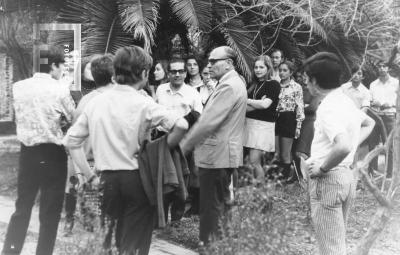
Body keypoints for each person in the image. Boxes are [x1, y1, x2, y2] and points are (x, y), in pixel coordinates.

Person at [64, 46, 189, 255]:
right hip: (137, 180)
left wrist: (89, 176)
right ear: (142, 74)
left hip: (107, 181)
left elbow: (71, 141)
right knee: (135, 243)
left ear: (116, 72)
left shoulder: (96, 103)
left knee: (111, 242)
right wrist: (162, 148)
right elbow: (182, 125)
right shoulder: (143, 102)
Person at [2, 46, 76, 255]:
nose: (62, 71)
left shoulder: (18, 87)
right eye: (61, 66)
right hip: (53, 154)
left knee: (22, 207)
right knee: (50, 212)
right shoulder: (59, 89)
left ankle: (10, 251)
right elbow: (73, 117)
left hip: (28, 153)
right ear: (53, 65)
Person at [303, 52, 375, 255]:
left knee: (331, 250)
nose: (306, 83)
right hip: (345, 178)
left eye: (307, 79)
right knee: (337, 244)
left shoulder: (328, 107)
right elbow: (370, 123)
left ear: (315, 81)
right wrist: (351, 145)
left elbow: (342, 146)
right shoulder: (345, 101)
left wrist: (322, 167)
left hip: (328, 179)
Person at [180, 46, 247, 246]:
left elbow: (209, 121)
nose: (208, 66)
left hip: (216, 154)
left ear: (229, 63)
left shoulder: (228, 86)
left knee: (211, 202)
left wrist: (184, 145)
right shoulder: (233, 82)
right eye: (208, 61)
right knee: (222, 200)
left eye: (213, 61)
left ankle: (210, 244)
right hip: (223, 153)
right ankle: (220, 242)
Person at [63, 53, 115, 235]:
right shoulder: (76, 93)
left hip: (89, 150)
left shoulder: (97, 95)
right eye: (88, 67)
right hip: (82, 149)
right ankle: (69, 220)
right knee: (74, 185)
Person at [156, 59, 203, 222]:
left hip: (183, 142)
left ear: (185, 73)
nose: (177, 74)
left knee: (181, 178)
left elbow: (198, 115)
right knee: (162, 178)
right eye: (173, 71)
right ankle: (161, 218)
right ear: (168, 73)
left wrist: (180, 123)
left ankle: (176, 218)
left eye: (180, 71)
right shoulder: (161, 90)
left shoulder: (192, 93)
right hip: (162, 139)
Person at [245, 55, 281, 181]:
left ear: (268, 68)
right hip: (249, 124)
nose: (258, 70)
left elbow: (266, 104)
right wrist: (258, 103)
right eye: (256, 67)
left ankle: (260, 189)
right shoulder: (252, 84)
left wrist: (248, 100)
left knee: (254, 161)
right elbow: (244, 107)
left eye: (261, 67)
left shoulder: (273, 84)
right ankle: (254, 188)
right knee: (250, 162)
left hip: (262, 127)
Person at [274, 60, 304, 180]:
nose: (282, 73)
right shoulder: (275, 84)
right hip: (276, 118)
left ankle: (286, 177)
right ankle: (276, 176)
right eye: (280, 70)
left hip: (289, 119)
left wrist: (298, 126)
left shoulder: (296, 87)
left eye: (285, 70)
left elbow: (300, 107)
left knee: (285, 152)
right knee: (275, 152)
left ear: (291, 72)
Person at [369, 60, 399, 176]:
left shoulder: (396, 83)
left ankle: (389, 174)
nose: (381, 68)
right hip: (376, 116)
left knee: (389, 145)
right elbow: (369, 100)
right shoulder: (373, 84)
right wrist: (373, 102)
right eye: (379, 66)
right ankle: (372, 171)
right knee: (373, 145)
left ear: (388, 68)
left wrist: (391, 104)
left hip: (389, 116)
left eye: (384, 66)